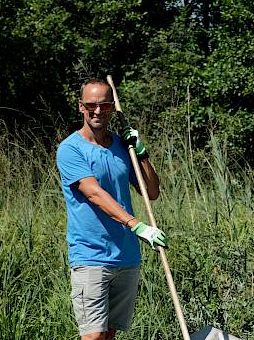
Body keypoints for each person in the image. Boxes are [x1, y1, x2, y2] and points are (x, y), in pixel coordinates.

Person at [56, 78, 168, 340]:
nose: (97, 111)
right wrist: (137, 225)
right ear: (81, 107)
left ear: (111, 107)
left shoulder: (121, 147)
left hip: (126, 256)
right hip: (91, 255)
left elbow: (151, 192)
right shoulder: (70, 149)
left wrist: (140, 153)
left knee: (108, 335)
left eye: (104, 106)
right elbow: (94, 193)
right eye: (91, 105)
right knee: (93, 336)